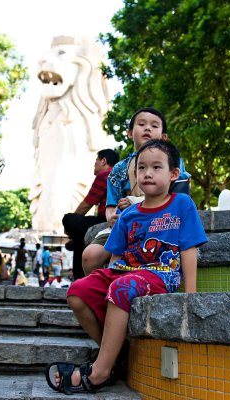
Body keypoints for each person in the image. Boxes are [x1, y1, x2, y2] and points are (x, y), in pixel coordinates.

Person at [45, 139, 208, 395]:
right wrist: (104, 281)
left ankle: (100, 372)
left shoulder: (182, 205)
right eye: (142, 168)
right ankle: (116, 355)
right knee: (77, 291)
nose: (147, 173)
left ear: (174, 174)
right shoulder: (128, 214)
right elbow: (115, 258)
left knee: (121, 287)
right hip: (125, 272)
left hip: (159, 274)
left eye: (156, 167)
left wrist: (190, 293)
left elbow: (188, 249)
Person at [82, 107, 191, 275]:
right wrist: (112, 218)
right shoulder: (119, 169)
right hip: (125, 224)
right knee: (90, 255)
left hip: (161, 223)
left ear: (164, 137)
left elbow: (177, 196)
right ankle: (99, 295)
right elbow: (112, 204)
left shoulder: (173, 162)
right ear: (129, 132)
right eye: (141, 124)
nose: (147, 128)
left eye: (154, 126)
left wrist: (133, 201)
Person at [62, 149, 119, 280]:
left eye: (96, 162)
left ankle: (79, 278)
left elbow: (87, 204)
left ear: (103, 161)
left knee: (69, 219)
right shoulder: (119, 174)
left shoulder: (105, 175)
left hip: (105, 219)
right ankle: (80, 276)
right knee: (79, 236)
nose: (95, 166)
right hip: (111, 218)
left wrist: (71, 223)